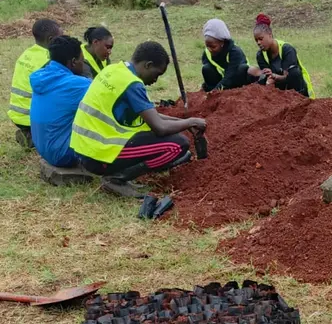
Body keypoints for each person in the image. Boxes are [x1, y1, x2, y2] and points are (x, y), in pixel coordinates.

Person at [71, 41, 206, 197]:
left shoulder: (114, 70)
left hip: (85, 150)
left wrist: (182, 122)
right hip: (98, 156)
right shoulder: (132, 84)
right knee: (177, 145)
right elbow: (159, 128)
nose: (155, 80)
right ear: (148, 65)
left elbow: (150, 115)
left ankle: (117, 173)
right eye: (157, 74)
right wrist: (191, 122)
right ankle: (117, 178)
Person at [30, 36, 90, 169]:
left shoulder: (42, 76)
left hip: (42, 148)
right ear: (73, 62)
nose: (84, 63)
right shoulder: (78, 84)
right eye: (82, 60)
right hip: (64, 155)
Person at [8, 18, 62, 149]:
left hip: (17, 115)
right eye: (60, 38)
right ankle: (33, 139)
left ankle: (30, 134)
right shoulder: (48, 60)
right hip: (31, 117)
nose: (63, 41)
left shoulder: (27, 53)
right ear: (51, 39)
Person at [248, 13, 314, 98]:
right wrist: (266, 76)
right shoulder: (260, 55)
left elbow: (289, 77)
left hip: (298, 90)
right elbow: (266, 78)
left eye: (261, 39)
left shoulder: (287, 49)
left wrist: (274, 76)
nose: (258, 43)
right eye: (256, 40)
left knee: (294, 72)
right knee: (251, 72)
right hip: (279, 90)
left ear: (270, 35)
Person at [201, 18, 251, 91]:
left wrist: (216, 90)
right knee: (206, 69)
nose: (210, 49)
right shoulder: (206, 53)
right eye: (207, 46)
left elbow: (231, 75)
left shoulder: (235, 52)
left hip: (236, 80)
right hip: (221, 80)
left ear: (222, 43)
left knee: (242, 69)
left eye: (213, 47)